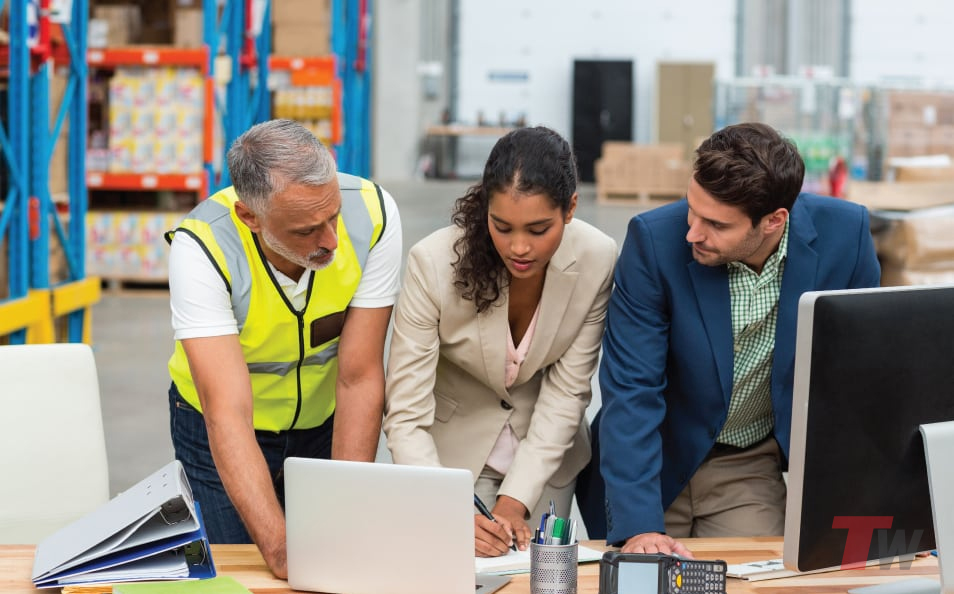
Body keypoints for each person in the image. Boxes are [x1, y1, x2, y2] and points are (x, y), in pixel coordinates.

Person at [594, 122, 881, 555]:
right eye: (692, 209)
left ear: (773, 221)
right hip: (651, 455)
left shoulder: (847, 236)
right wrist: (639, 528)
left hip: (747, 461)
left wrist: (863, 514)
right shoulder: (654, 241)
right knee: (641, 576)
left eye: (715, 224)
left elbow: (859, 384)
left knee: (757, 579)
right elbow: (633, 387)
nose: (692, 231)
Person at [164, 119, 402, 578]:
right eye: (306, 231)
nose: (331, 241)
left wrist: (345, 510)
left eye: (332, 216)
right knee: (240, 574)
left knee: (335, 560)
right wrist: (279, 549)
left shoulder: (373, 215)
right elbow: (227, 412)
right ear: (249, 217)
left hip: (324, 421)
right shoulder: (201, 247)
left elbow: (359, 376)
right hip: (221, 430)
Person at [382, 126, 617, 557]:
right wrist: (443, 508)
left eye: (539, 228)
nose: (520, 247)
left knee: (541, 579)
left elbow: (568, 393)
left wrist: (515, 501)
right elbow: (406, 413)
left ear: (571, 209)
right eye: (502, 227)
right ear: (485, 209)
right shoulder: (433, 264)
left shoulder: (597, 257)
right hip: (449, 462)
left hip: (546, 461)